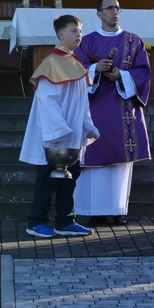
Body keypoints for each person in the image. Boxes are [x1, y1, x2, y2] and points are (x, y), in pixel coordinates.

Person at [18, 13, 100, 240]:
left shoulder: (76, 63)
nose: (79, 35)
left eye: (80, 30)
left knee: (70, 176)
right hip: (55, 134)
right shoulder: (52, 63)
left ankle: (65, 221)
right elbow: (46, 101)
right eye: (74, 30)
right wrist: (59, 129)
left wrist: (88, 126)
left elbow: (81, 103)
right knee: (47, 178)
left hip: (72, 133)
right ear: (61, 34)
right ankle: (36, 222)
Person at [74, 0, 152, 225]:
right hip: (95, 106)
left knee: (121, 162)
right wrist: (94, 69)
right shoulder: (87, 41)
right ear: (98, 13)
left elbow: (144, 72)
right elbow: (75, 69)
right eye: (109, 8)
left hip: (123, 107)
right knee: (93, 157)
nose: (114, 11)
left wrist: (121, 75)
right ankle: (91, 210)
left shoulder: (133, 41)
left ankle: (117, 210)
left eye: (117, 8)